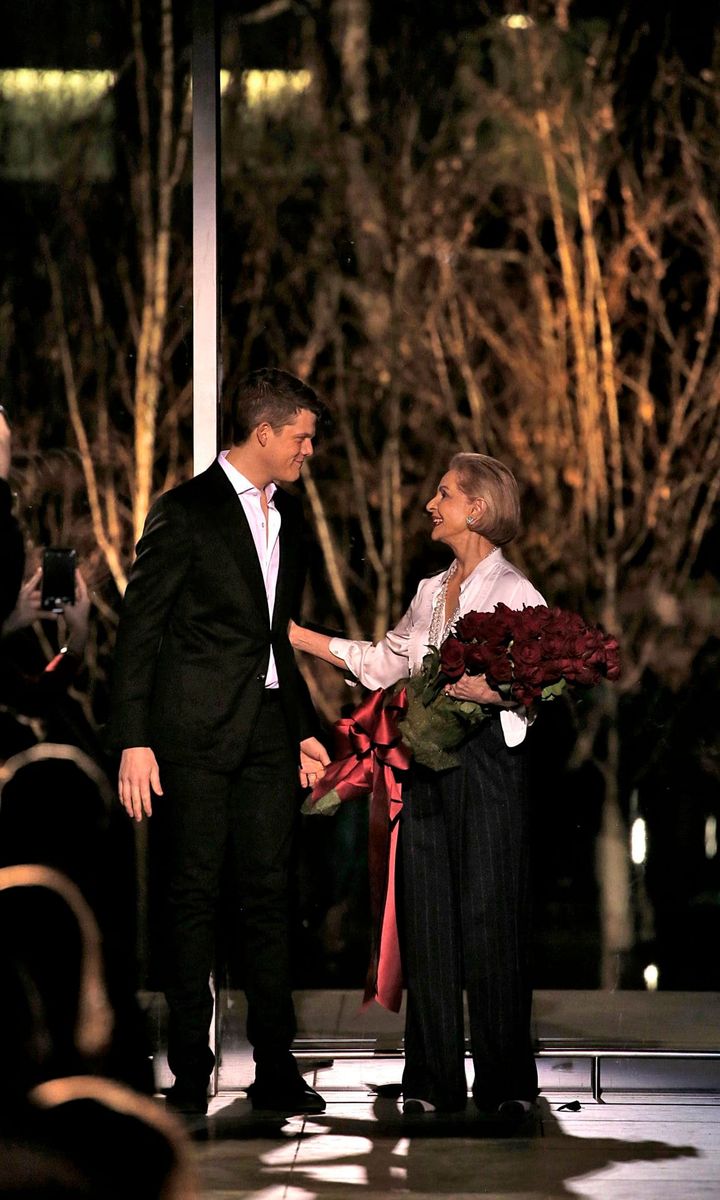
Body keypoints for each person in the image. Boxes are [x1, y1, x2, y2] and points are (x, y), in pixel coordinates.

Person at [290, 452, 546, 1118]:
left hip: (489, 770)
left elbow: (538, 688)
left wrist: (494, 688)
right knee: (427, 920)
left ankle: (507, 1086)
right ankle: (430, 1080)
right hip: (425, 769)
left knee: (491, 926)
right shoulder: (432, 592)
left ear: (477, 508)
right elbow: (383, 661)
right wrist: (297, 637)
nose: (431, 504)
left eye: (444, 493)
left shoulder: (517, 593)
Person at [106, 368, 331, 1118]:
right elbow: (140, 632)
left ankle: (275, 1069)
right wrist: (134, 739)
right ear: (262, 433)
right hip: (192, 738)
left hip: (268, 733)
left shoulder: (289, 518)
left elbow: (274, 637)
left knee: (270, 900)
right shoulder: (185, 511)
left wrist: (302, 728)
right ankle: (190, 1075)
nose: (309, 448)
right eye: (301, 435)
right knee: (192, 901)